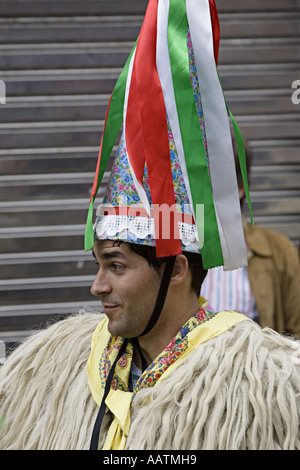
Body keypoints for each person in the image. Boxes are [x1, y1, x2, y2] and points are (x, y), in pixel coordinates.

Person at [1, 0, 300, 451]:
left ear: (176, 269)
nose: (96, 286)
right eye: (100, 265)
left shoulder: (262, 387)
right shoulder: (63, 365)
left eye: (117, 266)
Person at [201, 142, 300, 336]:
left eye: (210, 182)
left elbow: (296, 335)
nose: (199, 192)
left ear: (239, 188)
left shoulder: (279, 250)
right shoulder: (174, 248)